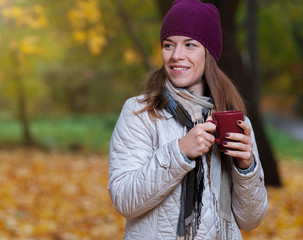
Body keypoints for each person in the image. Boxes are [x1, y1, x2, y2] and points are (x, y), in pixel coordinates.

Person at [108, 0, 268, 239]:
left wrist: (247, 168)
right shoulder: (139, 112)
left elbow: (250, 220)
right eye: (168, 45)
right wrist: (179, 152)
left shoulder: (234, 118)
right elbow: (124, 200)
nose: (176, 56)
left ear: (209, 53)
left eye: (190, 45)